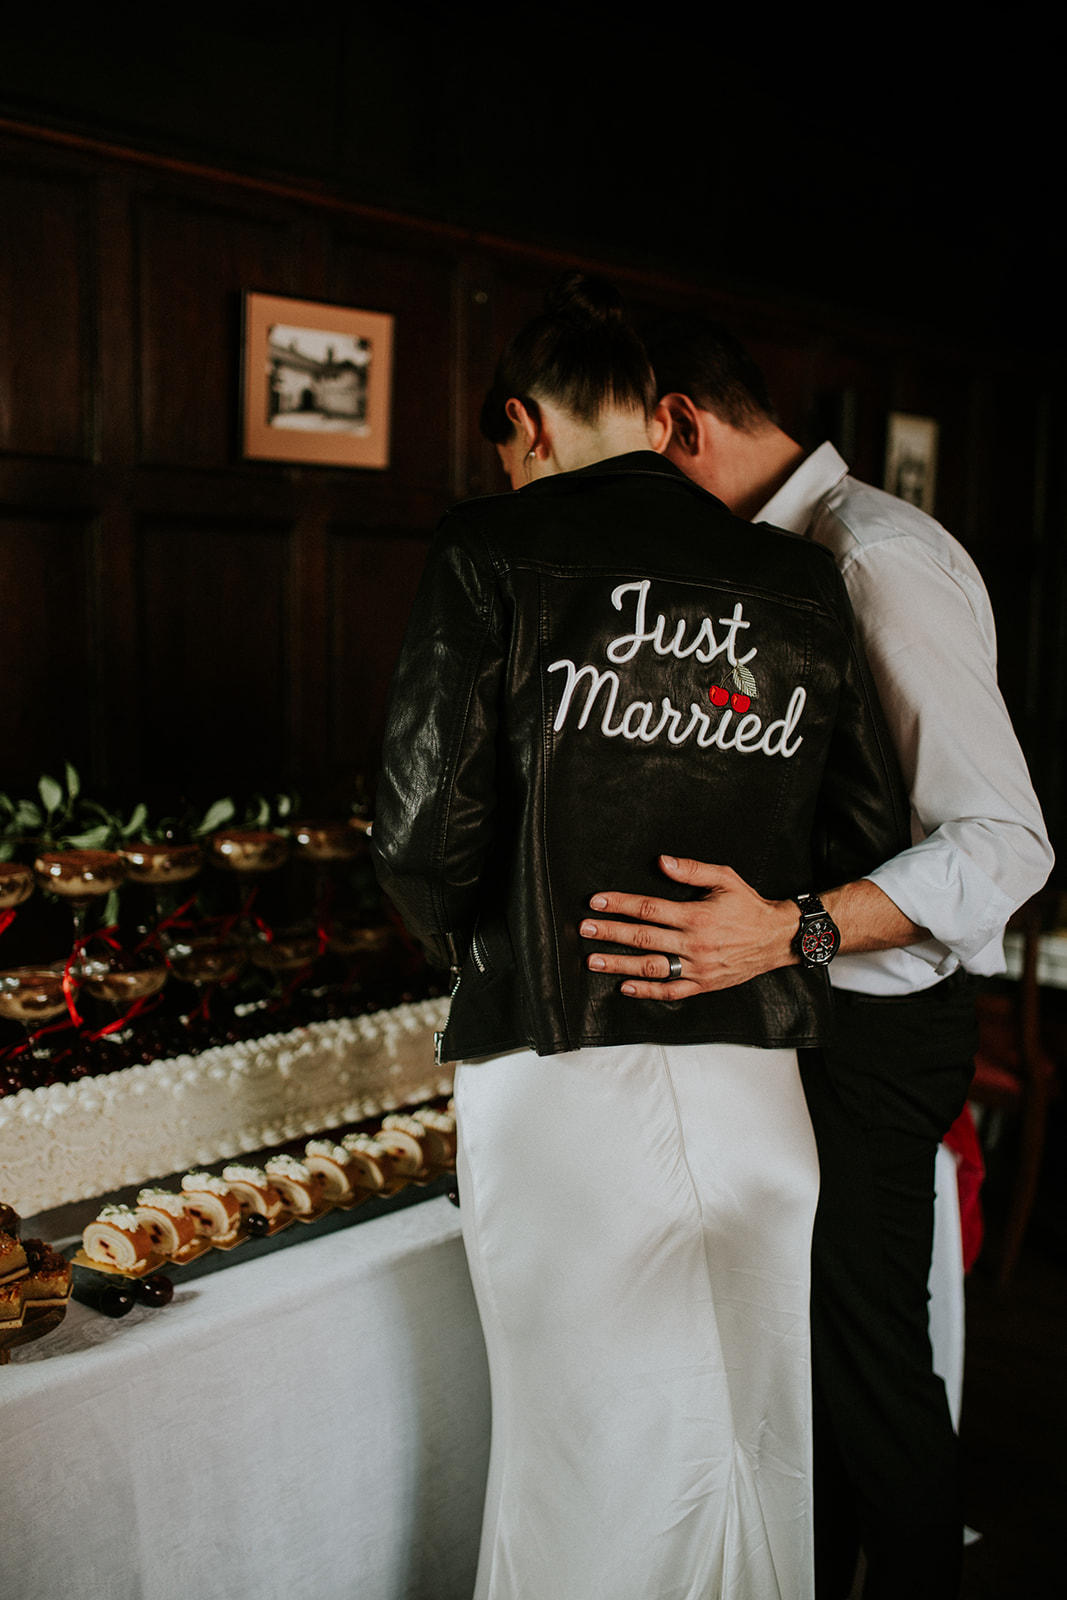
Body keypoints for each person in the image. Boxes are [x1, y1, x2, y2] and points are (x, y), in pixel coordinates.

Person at [370, 275, 912, 1600]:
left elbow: (420, 835)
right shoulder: (793, 579)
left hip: (563, 1077)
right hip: (755, 1082)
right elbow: (863, 838)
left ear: (523, 426)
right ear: (649, 409)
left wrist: (478, 940)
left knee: (582, 1466)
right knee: (752, 1449)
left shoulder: (489, 551)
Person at [578, 314, 1054, 1599]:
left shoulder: (871, 560)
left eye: (632, 462)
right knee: (815, 1375)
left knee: (869, 1375)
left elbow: (1003, 843)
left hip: (875, 1026)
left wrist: (785, 928)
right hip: (801, 1015)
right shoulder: (770, 562)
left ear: (680, 423)